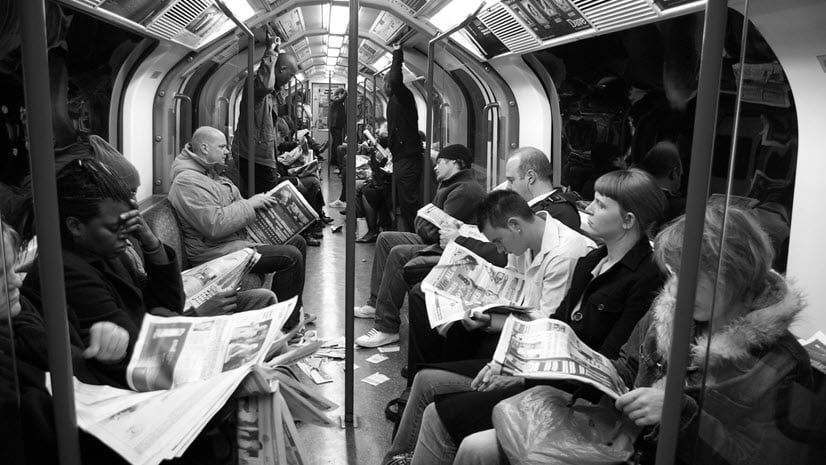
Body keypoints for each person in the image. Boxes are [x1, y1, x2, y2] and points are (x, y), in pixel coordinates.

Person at [444, 203, 814, 465]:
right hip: (618, 437)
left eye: (691, 277)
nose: (676, 288)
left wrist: (680, 415)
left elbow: (763, 457)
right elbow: (627, 365)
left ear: (734, 274)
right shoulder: (669, 311)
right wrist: (584, 368)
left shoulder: (782, 364)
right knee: (477, 448)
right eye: (674, 274)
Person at [389, 169, 667, 465]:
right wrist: (509, 363)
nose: (590, 209)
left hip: (569, 390)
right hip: (542, 370)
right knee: (427, 378)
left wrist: (520, 373)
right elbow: (556, 324)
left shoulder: (645, 277)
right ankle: (398, 457)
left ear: (628, 220)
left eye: (600, 204)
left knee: (439, 414)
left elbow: (607, 362)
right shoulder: (593, 261)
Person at [1, 217, 133, 464]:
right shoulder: (64, 274)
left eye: (11, 267)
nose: (16, 280)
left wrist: (107, 357)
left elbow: (83, 370)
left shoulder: (31, 306)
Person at [21, 158, 185, 352]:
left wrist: (152, 244)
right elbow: (131, 346)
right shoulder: (66, 273)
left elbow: (170, 304)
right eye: (114, 227)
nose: (126, 234)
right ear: (75, 226)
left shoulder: (105, 251)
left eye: (128, 224)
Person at [168, 126, 306, 328]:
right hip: (214, 253)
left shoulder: (210, 174)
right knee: (290, 256)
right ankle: (286, 327)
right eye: (222, 147)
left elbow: (232, 208)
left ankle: (293, 313)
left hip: (233, 242)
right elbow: (214, 225)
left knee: (297, 242)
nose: (227, 151)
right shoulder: (187, 182)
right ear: (205, 148)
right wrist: (250, 205)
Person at [355, 144, 486, 348]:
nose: (435, 167)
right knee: (385, 239)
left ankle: (387, 327)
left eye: (440, 162)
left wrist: (422, 223)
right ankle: (375, 304)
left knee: (399, 253)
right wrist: (423, 223)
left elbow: (437, 231)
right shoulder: (450, 184)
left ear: (454, 163)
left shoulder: (465, 190)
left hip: (449, 249)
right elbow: (427, 223)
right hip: (433, 241)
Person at [234, 27, 300, 195]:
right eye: (290, 76)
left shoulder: (273, 93)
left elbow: (279, 95)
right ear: (282, 69)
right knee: (268, 200)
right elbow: (265, 85)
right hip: (254, 156)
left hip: (264, 156)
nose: (289, 81)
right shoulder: (256, 83)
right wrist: (270, 52)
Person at [385, 43, 424, 232]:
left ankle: (414, 236)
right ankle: (405, 232)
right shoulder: (394, 100)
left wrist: (397, 53)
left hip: (409, 159)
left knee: (409, 202)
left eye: (386, 84)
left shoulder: (404, 96)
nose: (385, 87)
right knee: (402, 199)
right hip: (401, 158)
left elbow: (395, 80)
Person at [502, 146, 581, 231]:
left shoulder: (558, 214)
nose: (507, 187)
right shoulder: (544, 210)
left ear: (531, 177)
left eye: (511, 180)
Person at [636, 140, 685, 224]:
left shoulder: (633, 197)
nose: (681, 178)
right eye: (681, 173)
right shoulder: (682, 208)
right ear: (674, 172)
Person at [328, 87, 347, 172]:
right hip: (336, 125)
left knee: (335, 143)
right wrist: (346, 92)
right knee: (337, 144)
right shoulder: (336, 100)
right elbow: (342, 98)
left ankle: (333, 160)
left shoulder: (335, 101)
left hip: (335, 125)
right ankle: (338, 163)